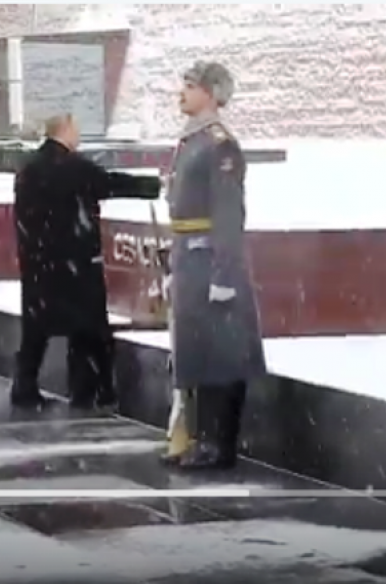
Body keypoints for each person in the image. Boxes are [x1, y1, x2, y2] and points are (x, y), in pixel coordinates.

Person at [11, 113, 161, 410]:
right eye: (76, 129)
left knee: (36, 330)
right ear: (64, 129)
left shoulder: (28, 167)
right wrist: (153, 185)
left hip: (38, 262)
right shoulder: (73, 166)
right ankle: (86, 391)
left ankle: (24, 387)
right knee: (87, 329)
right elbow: (108, 183)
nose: (78, 135)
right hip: (76, 262)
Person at [161, 61, 267, 470]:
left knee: (222, 354)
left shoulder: (220, 144)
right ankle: (198, 438)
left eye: (190, 86)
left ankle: (219, 444)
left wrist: (224, 273)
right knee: (195, 352)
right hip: (191, 258)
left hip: (210, 260)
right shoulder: (192, 139)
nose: (181, 93)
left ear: (210, 92)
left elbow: (227, 213)